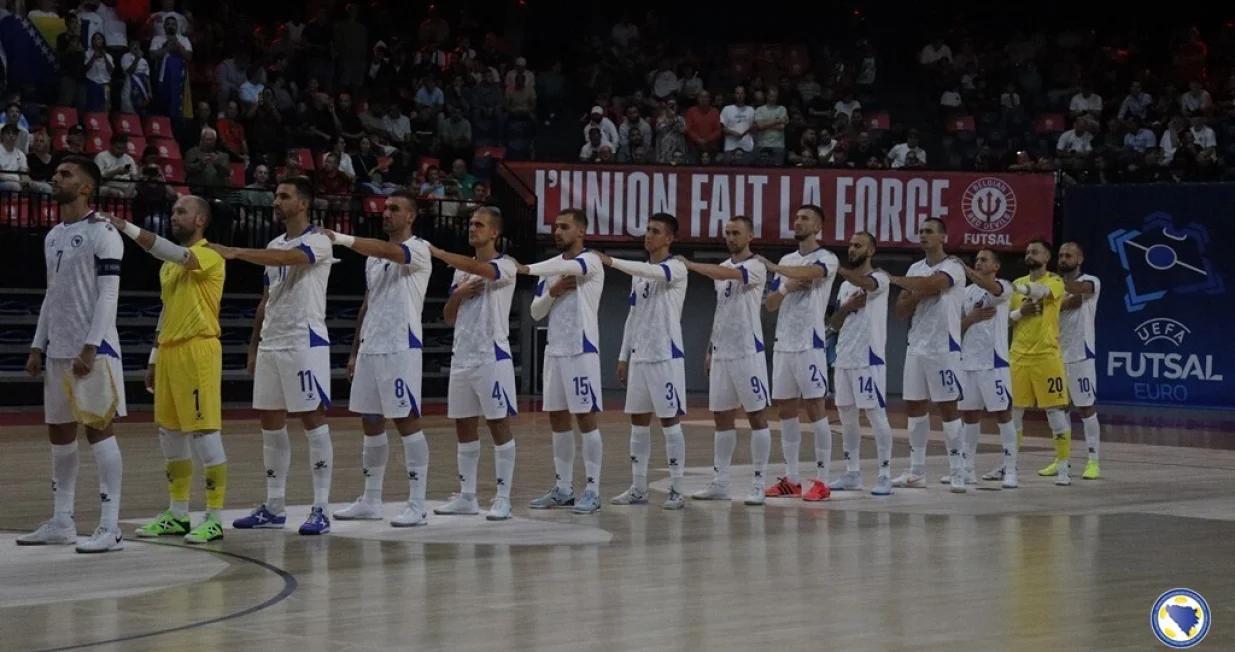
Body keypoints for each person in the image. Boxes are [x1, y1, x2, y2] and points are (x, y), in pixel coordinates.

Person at [208, 177, 337, 534]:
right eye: (276, 196)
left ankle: (321, 507)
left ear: (303, 204)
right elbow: (267, 299)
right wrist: (254, 345)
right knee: (270, 422)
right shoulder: (273, 242)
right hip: (272, 342)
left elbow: (290, 259)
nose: (276, 201)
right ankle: (275, 505)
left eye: (284, 196)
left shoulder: (318, 241)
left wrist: (235, 253)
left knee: (312, 419)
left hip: (304, 341)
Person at [20, 156, 127, 553]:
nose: (56, 177)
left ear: (86, 188)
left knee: (99, 432)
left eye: (66, 174)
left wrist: (91, 344)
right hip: (59, 349)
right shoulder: (52, 236)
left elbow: (109, 294)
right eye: (57, 172)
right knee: (59, 434)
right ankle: (63, 521)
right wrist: (37, 343)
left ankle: (110, 526)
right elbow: (52, 295)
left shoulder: (103, 232)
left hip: (92, 350)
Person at [111, 196, 229, 543]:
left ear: (201, 220)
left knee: (205, 434)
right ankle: (178, 515)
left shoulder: (209, 255)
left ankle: (214, 517)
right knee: (171, 434)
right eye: (173, 210)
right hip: (170, 353)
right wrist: (153, 357)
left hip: (198, 350)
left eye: (182, 212)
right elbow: (167, 310)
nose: (174, 216)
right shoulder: (167, 265)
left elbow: (173, 253)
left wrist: (127, 228)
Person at [324, 191, 433, 527]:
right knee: (370, 421)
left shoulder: (418, 248)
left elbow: (389, 250)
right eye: (385, 208)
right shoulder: (373, 260)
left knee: (406, 420)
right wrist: (355, 351)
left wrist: (340, 238)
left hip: (401, 346)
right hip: (373, 347)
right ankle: (371, 499)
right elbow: (366, 305)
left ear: (411, 216)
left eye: (394, 209)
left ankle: (417, 503)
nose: (386, 213)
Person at [592, 214, 689, 510]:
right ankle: (638, 487)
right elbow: (632, 317)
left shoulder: (676, 267)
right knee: (638, 421)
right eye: (647, 230)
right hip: (641, 357)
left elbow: (653, 273)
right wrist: (624, 356)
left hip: (665, 356)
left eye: (655, 231)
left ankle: (677, 488)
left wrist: (610, 261)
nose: (648, 235)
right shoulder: (639, 274)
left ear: (669, 238)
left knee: (669, 420)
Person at [429, 208, 519, 521]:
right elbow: (448, 316)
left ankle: (503, 498)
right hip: (462, 356)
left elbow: (487, 272)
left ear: (494, 232)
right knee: (464, 426)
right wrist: (458, 294)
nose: (472, 228)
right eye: (469, 223)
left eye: (479, 224)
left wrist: (441, 254)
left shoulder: (506, 265)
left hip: (491, 356)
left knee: (498, 425)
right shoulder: (461, 272)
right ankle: (467, 496)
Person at [517, 209, 607, 514]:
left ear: (580, 232)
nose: (557, 231)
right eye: (555, 226)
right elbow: (535, 312)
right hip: (554, 351)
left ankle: (593, 490)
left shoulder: (591, 261)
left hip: (581, 350)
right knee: (557, 419)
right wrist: (552, 291)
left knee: (586, 418)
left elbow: (575, 267)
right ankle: (564, 488)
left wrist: (526, 268)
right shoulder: (550, 271)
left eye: (564, 226)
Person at [681, 216, 772, 505]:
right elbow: (722, 312)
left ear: (751, 236)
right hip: (722, 353)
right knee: (721, 418)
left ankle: (758, 482)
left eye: (736, 233)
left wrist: (691, 265)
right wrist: (710, 348)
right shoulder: (724, 267)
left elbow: (725, 275)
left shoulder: (756, 265)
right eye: (727, 233)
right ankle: (721, 481)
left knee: (757, 416)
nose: (730, 237)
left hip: (747, 352)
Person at [758, 205, 838, 501]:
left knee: (816, 408)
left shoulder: (827, 257)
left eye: (805, 218)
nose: (798, 221)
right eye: (796, 218)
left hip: (810, 343)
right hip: (784, 344)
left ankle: (822, 480)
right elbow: (770, 304)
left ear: (818, 227)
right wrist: (787, 285)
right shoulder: (787, 260)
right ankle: (791, 478)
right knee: (785, 410)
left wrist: (778, 272)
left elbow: (813, 273)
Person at [983, 240, 1074, 486]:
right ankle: (1008, 465)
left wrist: (1018, 290)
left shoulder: (1055, 281)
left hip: (1047, 356)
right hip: (1018, 357)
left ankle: (1063, 466)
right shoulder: (1018, 283)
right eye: (1027, 250)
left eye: (1035, 251)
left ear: (1047, 256)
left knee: (1055, 413)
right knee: (1014, 414)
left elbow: (1042, 293)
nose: (1029, 254)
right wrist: (1019, 313)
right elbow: (1006, 321)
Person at [888, 217, 968, 492]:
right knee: (914, 406)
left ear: (943, 236)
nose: (923, 235)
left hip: (943, 346)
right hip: (917, 345)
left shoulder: (954, 266)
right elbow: (900, 310)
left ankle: (958, 470)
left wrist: (913, 289)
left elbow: (937, 285)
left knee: (948, 408)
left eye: (929, 231)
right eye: (920, 231)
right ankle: (916, 470)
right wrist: (917, 290)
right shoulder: (915, 268)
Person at [829, 232, 895, 496]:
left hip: (869, 359)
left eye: (858, 245)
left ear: (871, 251)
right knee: (846, 417)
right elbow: (834, 324)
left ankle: (885, 474)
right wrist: (845, 307)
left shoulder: (880, 278)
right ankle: (852, 472)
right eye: (850, 245)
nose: (852, 248)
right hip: (844, 358)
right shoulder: (845, 286)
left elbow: (866, 284)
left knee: (875, 415)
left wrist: (839, 269)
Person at [950, 249, 1018, 489]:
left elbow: (992, 289)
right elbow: (955, 329)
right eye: (976, 260)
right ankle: (967, 467)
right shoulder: (965, 293)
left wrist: (964, 268)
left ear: (996, 265)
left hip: (994, 363)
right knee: (969, 417)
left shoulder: (1004, 286)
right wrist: (971, 319)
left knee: (1003, 414)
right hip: (968, 363)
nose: (978, 263)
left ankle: (1011, 470)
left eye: (983, 260)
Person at [1057, 242, 1102, 480]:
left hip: (1080, 354)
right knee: (1058, 407)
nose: (1064, 259)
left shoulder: (1091, 280)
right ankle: (1062, 459)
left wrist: (1053, 287)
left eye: (1069, 255)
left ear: (1080, 258)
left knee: (1085, 407)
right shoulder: (1053, 284)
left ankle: (1093, 460)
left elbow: (1080, 291)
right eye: (1061, 255)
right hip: (1055, 354)